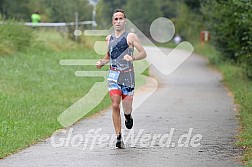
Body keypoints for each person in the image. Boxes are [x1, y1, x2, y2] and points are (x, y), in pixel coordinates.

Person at [96, 9, 147, 148]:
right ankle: (118, 137)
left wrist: (133, 57)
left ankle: (128, 116)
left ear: (125, 21)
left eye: (121, 19)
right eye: (116, 19)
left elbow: (143, 53)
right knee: (114, 104)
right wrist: (101, 62)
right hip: (113, 75)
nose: (118, 21)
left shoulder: (131, 37)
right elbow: (109, 56)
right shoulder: (109, 38)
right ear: (113, 22)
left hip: (128, 76)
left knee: (127, 107)